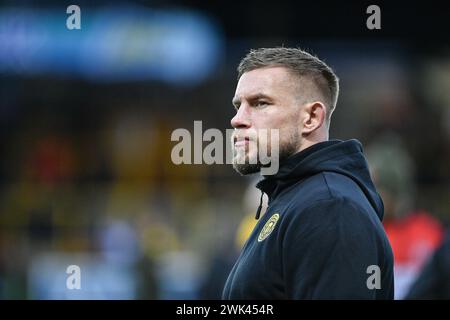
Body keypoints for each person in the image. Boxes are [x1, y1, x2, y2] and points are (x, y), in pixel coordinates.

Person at [222, 47, 394, 299]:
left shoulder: (330, 207)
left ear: (311, 117)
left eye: (260, 103)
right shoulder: (299, 198)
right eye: (238, 105)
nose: (237, 119)